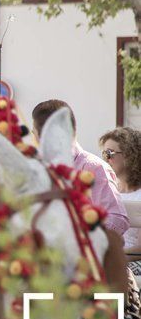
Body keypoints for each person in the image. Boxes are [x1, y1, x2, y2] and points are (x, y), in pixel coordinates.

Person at [32, 100, 129, 236]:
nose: (35, 141)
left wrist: (78, 236)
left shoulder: (93, 168)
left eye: (34, 134)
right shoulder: (41, 169)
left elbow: (117, 220)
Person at [99, 128, 141, 274]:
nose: (106, 159)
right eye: (104, 153)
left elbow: (139, 249)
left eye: (110, 153)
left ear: (130, 155)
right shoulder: (107, 190)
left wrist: (113, 257)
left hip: (133, 262)